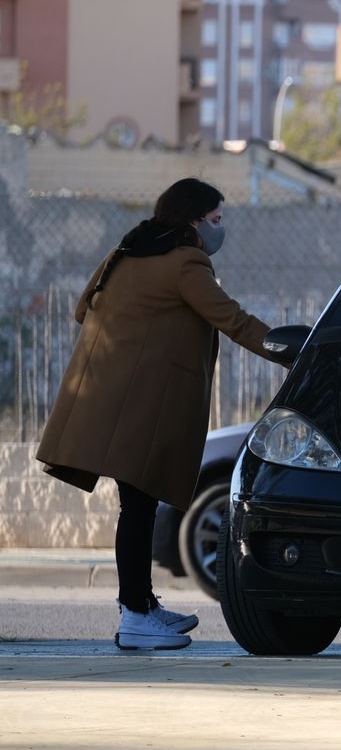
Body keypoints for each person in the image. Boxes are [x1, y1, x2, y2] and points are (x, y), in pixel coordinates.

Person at [34, 178, 284, 650]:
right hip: (141, 404)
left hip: (104, 394)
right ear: (193, 220)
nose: (219, 228)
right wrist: (297, 350)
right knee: (139, 506)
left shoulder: (126, 251)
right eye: (215, 220)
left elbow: (80, 308)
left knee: (138, 505)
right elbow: (232, 320)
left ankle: (143, 605)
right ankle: (134, 616)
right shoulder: (187, 262)